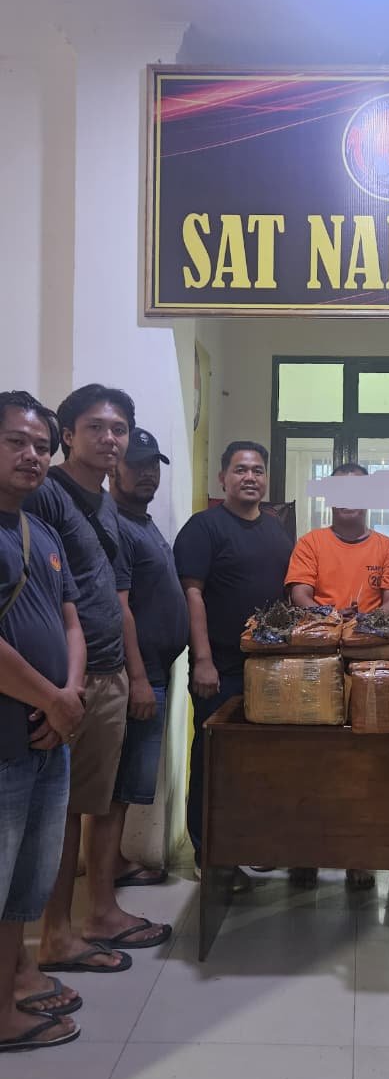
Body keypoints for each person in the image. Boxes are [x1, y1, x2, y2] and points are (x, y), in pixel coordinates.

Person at [25, 384, 170, 975]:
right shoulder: (47, 494)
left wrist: (128, 673)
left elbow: (106, 590)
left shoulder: (105, 501)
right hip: (69, 679)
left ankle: (99, 913)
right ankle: (55, 934)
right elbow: (39, 594)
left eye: (118, 429)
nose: (110, 439)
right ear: (68, 435)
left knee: (95, 801)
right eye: (96, 428)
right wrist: (57, 685)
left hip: (106, 671)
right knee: (59, 813)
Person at [0, 391, 85, 1055]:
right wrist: (53, 699)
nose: (32, 455)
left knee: (23, 890)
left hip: (48, 741)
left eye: (41, 446)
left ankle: (6, 1004)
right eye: (16, 442)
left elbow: (70, 623)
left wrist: (70, 695)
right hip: (8, 742)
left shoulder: (40, 533)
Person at [286, 461, 389, 889]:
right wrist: (331, 615)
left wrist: (362, 625)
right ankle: (306, 854)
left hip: (369, 667)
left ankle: (359, 855)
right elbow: (300, 594)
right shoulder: (311, 543)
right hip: (316, 666)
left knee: (364, 763)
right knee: (311, 763)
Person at [174, 440, 292, 869]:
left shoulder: (276, 530)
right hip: (220, 668)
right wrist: (202, 660)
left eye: (257, 470)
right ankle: (209, 853)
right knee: (214, 760)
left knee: (259, 761)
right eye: (240, 469)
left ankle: (251, 843)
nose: (250, 477)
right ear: (223, 477)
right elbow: (192, 595)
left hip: (268, 668)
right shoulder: (203, 528)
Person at [109, 428, 189, 887]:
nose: (147, 473)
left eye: (153, 465)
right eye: (137, 464)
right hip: (139, 675)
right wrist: (138, 679)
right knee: (119, 786)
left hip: (157, 671)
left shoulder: (142, 520)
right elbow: (120, 608)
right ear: (114, 469)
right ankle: (107, 872)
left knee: (130, 782)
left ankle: (114, 861)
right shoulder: (116, 526)